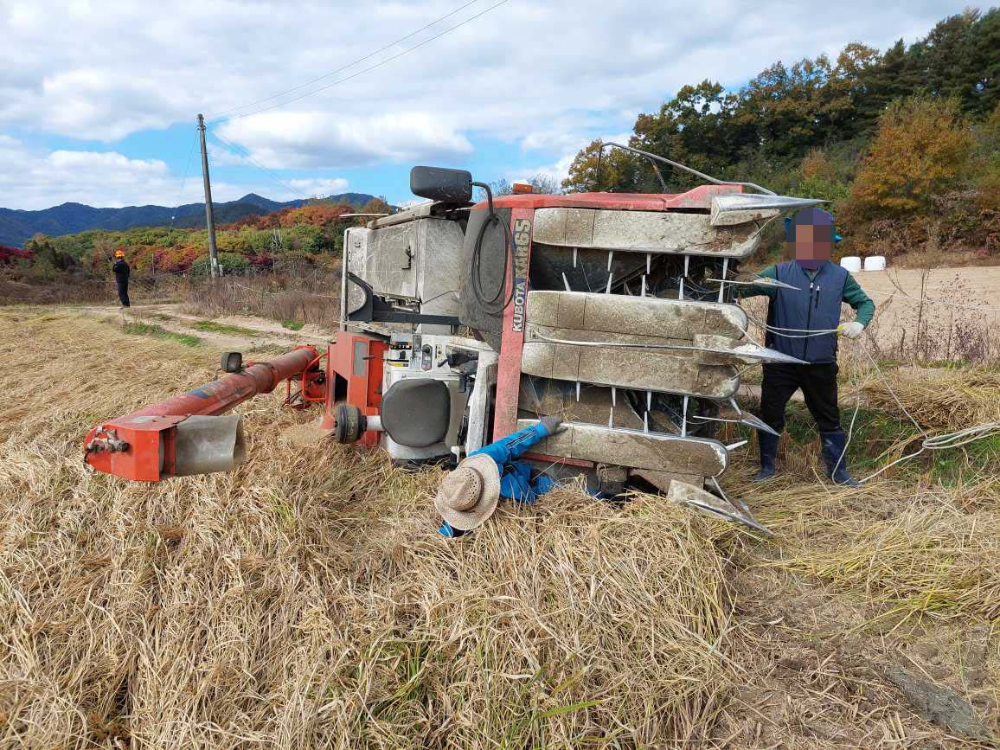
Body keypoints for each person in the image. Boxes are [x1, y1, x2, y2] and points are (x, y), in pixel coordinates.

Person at [739, 208, 875, 486]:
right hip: (781, 362)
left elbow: (866, 304)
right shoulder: (778, 273)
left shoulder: (840, 277)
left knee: (829, 418)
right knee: (771, 414)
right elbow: (741, 287)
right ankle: (767, 469)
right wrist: (725, 286)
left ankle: (838, 473)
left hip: (821, 363)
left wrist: (859, 324)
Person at [435, 416, 565, 537]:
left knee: (568, 489)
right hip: (526, 515)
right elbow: (451, 526)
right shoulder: (457, 497)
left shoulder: (484, 459)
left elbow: (510, 445)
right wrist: (450, 531)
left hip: (532, 482)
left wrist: (540, 430)